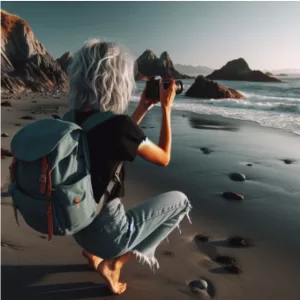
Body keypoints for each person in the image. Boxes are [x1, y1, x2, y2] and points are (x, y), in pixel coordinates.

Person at [67, 39, 192, 295]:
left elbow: (117, 142)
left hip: (76, 225)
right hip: (110, 237)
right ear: (117, 80)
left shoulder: (71, 120)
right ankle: (114, 264)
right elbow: (164, 158)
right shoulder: (118, 128)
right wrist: (166, 109)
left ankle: (92, 254)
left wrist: (144, 107)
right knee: (180, 202)